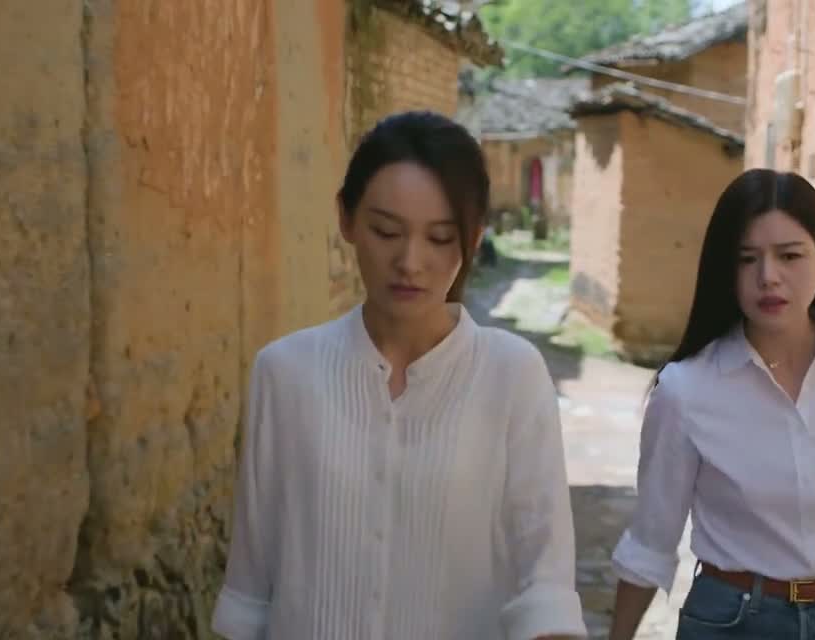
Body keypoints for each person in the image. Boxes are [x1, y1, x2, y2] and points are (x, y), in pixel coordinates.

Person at [210, 110, 588, 640]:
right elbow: (250, 589)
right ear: (346, 219)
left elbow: (544, 586)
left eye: (440, 238)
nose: (410, 261)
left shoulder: (512, 376)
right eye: (386, 231)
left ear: (474, 238)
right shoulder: (285, 372)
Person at [607, 169, 815, 640]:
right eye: (747, 259)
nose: (768, 277)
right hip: (731, 622)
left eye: (789, 256)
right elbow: (650, 543)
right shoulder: (685, 390)